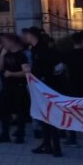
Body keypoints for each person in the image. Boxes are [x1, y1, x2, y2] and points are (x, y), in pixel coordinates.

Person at [27, 28, 64, 157]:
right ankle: (48, 144)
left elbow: (46, 69)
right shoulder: (37, 50)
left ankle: (55, 147)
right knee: (46, 117)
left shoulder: (42, 50)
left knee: (49, 117)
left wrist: (33, 74)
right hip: (44, 86)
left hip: (46, 87)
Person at [0, 34, 28, 144]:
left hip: (18, 87)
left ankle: (20, 134)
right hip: (7, 87)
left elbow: (26, 72)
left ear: (12, 41)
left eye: (5, 41)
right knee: (1, 109)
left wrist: (12, 74)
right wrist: (2, 56)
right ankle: (5, 134)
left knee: (20, 111)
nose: (4, 44)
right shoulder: (6, 54)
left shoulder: (21, 55)